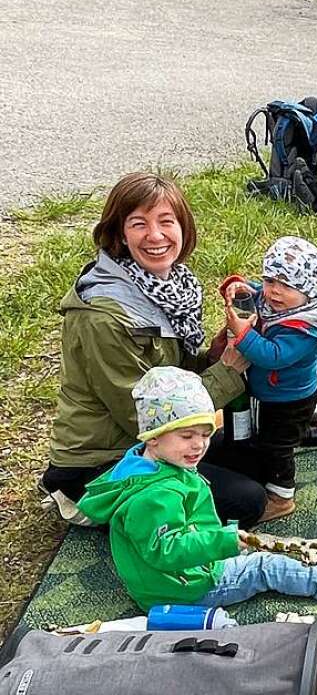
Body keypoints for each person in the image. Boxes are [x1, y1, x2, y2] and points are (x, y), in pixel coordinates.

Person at [42, 172, 266, 528]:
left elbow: (170, 375)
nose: (156, 236)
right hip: (102, 461)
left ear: (183, 228)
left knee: (254, 459)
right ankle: (95, 505)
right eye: (138, 224)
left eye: (166, 222)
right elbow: (145, 414)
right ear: (119, 234)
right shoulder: (103, 317)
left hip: (156, 439)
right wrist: (226, 370)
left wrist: (213, 354)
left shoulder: (165, 287)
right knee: (249, 502)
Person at [77, 367, 317, 613]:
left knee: (256, 546)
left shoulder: (143, 466)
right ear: (154, 437)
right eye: (186, 436)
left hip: (168, 580)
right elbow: (166, 551)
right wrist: (220, 541)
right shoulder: (157, 495)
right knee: (267, 566)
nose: (198, 445)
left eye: (204, 434)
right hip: (187, 587)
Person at [220, 236, 317, 523]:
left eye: (287, 285)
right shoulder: (277, 301)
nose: (274, 291)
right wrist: (239, 288)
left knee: (278, 447)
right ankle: (259, 471)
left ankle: (281, 497)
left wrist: (243, 334)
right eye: (270, 280)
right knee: (260, 437)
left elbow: (273, 356)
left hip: (290, 400)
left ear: (307, 290)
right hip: (268, 392)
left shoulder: (304, 328)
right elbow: (256, 293)